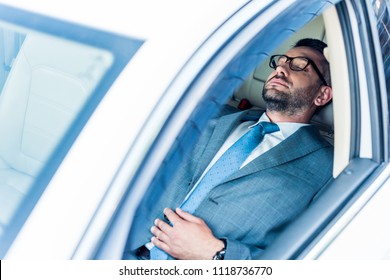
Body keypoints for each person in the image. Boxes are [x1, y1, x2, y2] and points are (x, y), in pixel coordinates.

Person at [123, 38, 334, 260]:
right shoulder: (209, 113)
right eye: (280, 61)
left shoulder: (329, 169)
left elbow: (307, 259)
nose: (281, 68)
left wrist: (217, 254)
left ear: (322, 95)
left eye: (299, 65)